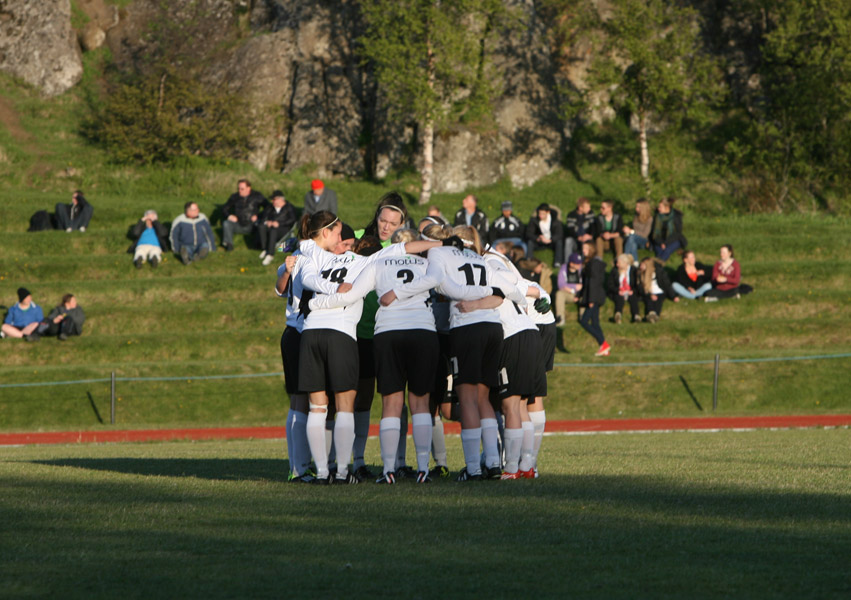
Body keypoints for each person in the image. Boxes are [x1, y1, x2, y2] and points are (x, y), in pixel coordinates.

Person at [574, 242, 610, 356]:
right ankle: (604, 348)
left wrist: (591, 300)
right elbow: (586, 282)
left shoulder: (593, 264)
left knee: (584, 321)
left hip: (594, 297)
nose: (583, 250)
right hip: (593, 296)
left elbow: (594, 283)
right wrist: (579, 295)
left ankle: (603, 343)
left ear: (591, 250)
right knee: (595, 323)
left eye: (586, 248)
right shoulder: (589, 263)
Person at [221, 179, 266, 251]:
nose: (240, 191)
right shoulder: (235, 197)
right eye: (238, 188)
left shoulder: (257, 196)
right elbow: (224, 208)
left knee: (261, 225)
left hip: (253, 225)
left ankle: (258, 245)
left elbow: (268, 208)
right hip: (238, 224)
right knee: (226, 223)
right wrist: (229, 216)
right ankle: (229, 245)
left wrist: (258, 216)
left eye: (242, 189)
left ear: (248, 188)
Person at [258, 190, 297, 266]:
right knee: (262, 227)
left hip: (284, 229)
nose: (273, 201)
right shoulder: (270, 207)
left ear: (280, 199)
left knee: (274, 230)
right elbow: (263, 218)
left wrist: (279, 223)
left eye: (274, 199)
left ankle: (270, 254)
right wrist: (267, 222)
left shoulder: (289, 207)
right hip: (271, 227)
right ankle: (265, 248)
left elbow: (292, 220)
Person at [637, 257, 679, 322]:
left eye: (642, 265)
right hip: (648, 292)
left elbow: (666, 284)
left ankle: (655, 315)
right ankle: (651, 313)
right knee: (649, 300)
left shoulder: (659, 272)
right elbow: (640, 288)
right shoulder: (640, 274)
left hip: (660, 292)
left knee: (658, 301)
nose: (640, 266)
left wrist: (673, 296)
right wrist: (649, 294)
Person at [649, 197, 687, 262]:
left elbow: (677, 233)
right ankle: (658, 265)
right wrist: (660, 242)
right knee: (660, 251)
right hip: (659, 240)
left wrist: (666, 243)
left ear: (667, 208)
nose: (658, 209)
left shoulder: (676, 217)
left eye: (660, 207)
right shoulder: (657, 217)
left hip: (673, 240)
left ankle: (657, 264)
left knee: (667, 251)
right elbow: (654, 233)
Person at [607, 253, 641, 323]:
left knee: (633, 299)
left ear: (625, 263)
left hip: (630, 291)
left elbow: (637, 284)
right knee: (619, 298)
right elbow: (610, 284)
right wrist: (618, 291)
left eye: (619, 263)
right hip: (619, 291)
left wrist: (632, 291)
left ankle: (636, 316)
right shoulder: (614, 271)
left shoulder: (634, 270)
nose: (617, 265)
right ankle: (618, 314)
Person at [554, 253, 583, 325]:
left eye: (580, 263)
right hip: (568, 294)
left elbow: (583, 285)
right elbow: (561, 285)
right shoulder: (564, 269)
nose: (579, 265)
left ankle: (583, 318)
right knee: (559, 294)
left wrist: (570, 288)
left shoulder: (582, 270)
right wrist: (574, 287)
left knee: (586, 294)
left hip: (580, 293)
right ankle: (560, 318)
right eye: (577, 263)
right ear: (571, 264)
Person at [623, 198, 653, 262]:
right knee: (633, 243)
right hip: (634, 239)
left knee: (631, 237)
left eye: (638, 207)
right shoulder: (636, 216)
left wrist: (631, 231)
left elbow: (644, 234)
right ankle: (635, 262)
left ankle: (625, 258)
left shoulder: (649, 219)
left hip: (643, 240)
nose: (636, 208)